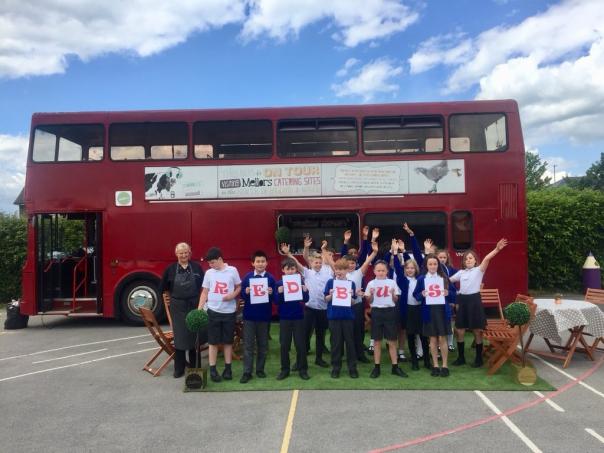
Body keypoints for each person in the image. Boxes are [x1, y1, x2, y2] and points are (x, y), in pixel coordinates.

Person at [449, 239, 508, 368]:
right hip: (462, 302)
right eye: (466, 259)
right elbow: (448, 280)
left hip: (474, 301)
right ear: (463, 262)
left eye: (471, 258)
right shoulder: (461, 273)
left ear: (475, 260)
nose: (468, 260)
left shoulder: (479, 270)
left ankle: (478, 359)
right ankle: (461, 358)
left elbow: (487, 258)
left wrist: (497, 249)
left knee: (477, 331)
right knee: (459, 330)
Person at [282, 238, 333, 368]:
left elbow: (333, 265)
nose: (318, 264)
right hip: (309, 309)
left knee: (321, 336)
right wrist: (288, 253)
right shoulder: (307, 272)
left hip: (323, 309)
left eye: (319, 262)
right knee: (304, 337)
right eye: (316, 262)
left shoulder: (328, 273)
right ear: (311, 263)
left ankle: (319, 358)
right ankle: (300, 361)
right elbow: (297, 263)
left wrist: (324, 250)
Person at [159, 242, 204, 378]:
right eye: (181, 252)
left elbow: (204, 287)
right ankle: (178, 369)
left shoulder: (196, 267)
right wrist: (168, 298)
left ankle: (195, 366)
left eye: (186, 252)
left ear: (189, 253)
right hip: (177, 307)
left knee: (194, 335)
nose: (183, 255)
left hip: (194, 304)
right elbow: (163, 288)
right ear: (176, 254)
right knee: (179, 336)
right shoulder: (170, 269)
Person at [198, 247, 241, 382]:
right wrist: (199, 309)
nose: (211, 265)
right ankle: (213, 369)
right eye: (209, 263)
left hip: (228, 312)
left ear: (220, 259)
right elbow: (205, 292)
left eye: (213, 262)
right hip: (213, 311)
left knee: (228, 341)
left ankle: (228, 369)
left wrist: (232, 295)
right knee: (213, 342)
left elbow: (239, 286)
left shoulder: (232, 271)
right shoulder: (209, 273)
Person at [365, 260, 408, 378]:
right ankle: (376, 367)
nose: (380, 273)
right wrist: (372, 294)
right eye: (378, 270)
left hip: (390, 312)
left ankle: (395, 366)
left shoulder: (392, 283)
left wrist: (394, 295)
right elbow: (369, 301)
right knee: (377, 341)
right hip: (377, 312)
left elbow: (395, 299)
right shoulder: (371, 283)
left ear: (387, 271)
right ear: (374, 271)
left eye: (383, 270)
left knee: (392, 341)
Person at [239, 250, 277, 384]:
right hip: (249, 317)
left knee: (263, 345)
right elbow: (241, 295)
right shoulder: (247, 277)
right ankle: (247, 372)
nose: (260, 264)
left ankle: (260, 369)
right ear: (253, 263)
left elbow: (276, 299)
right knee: (248, 345)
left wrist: (272, 293)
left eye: (263, 261)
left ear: (266, 263)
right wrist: (245, 292)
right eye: (258, 261)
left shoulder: (271, 279)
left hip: (264, 317)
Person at [413, 254, 453, 377]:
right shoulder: (421, 279)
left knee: (442, 338)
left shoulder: (444, 277)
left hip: (442, 311)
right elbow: (416, 295)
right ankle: (435, 365)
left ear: (438, 265)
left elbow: (454, 293)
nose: (433, 266)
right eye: (430, 264)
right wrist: (422, 294)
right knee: (433, 339)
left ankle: (445, 365)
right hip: (429, 312)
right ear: (426, 265)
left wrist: (447, 293)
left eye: (435, 264)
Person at [324, 258, 361, 378]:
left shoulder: (351, 284)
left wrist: (350, 296)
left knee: (350, 343)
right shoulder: (330, 282)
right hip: (334, 316)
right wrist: (331, 294)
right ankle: (336, 367)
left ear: (346, 270)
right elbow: (326, 299)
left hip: (347, 317)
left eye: (342, 269)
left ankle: (352, 368)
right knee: (336, 343)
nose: (339, 271)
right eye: (337, 269)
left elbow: (353, 303)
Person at [275, 258, 310, 380]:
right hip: (285, 318)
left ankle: (303, 369)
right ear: (283, 270)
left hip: (298, 317)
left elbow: (305, 300)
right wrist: (279, 293)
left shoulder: (300, 282)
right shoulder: (279, 283)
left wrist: (305, 292)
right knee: (284, 345)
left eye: (292, 269)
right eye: (287, 269)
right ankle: (285, 370)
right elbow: (276, 301)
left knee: (300, 345)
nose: (290, 271)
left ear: (296, 270)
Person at [345, 241, 378, 364]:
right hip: (345, 306)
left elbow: (367, 262)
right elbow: (332, 264)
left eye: (353, 263)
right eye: (348, 263)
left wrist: (374, 252)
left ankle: (360, 354)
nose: (351, 265)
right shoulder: (340, 274)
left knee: (359, 330)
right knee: (348, 331)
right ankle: (350, 355)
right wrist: (325, 253)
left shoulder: (359, 272)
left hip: (357, 306)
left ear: (356, 264)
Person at [436, 249, 458, 351]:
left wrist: (453, 300)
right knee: (440, 323)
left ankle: (450, 343)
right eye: (440, 257)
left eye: (444, 257)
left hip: (448, 300)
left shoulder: (451, 269)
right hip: (438, 301)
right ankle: (440, 344)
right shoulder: (434, 270)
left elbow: (453, 285)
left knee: (450, 323)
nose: (442, 259)